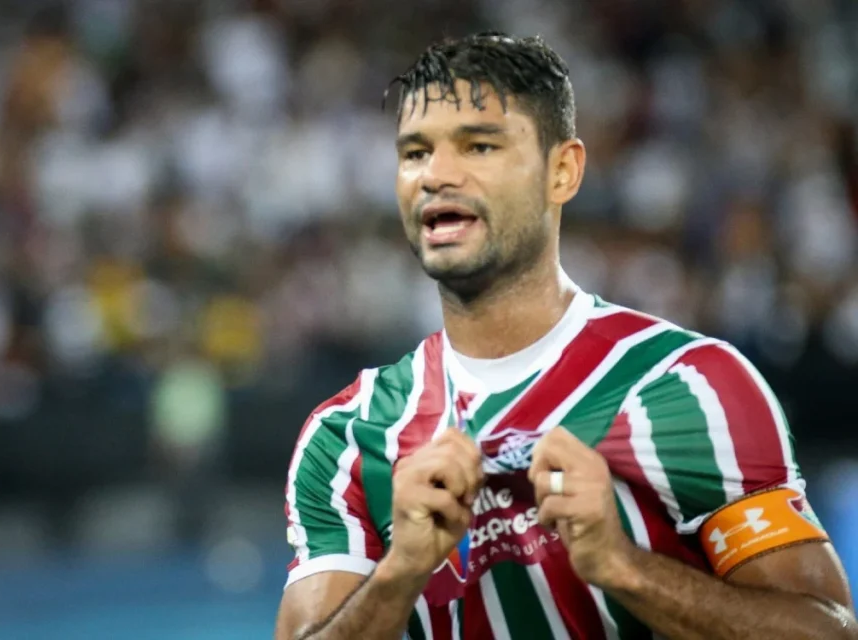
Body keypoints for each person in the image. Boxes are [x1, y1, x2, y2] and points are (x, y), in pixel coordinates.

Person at [274, 32, 856, 640]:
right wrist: (401, 572)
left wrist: (623, 567)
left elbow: (828, 632)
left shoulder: (692, 387)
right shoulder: (349, 438)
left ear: (563, 171)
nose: (436, 175)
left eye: (478, 145)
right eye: (415, 153)